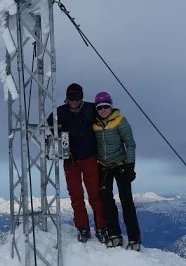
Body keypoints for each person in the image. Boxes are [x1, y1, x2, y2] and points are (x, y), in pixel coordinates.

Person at [47, 83, 107, 243]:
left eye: (77, 98)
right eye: (71, 99)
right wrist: (59, 136)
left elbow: (105, 115)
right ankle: (82, 227)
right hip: (71, 159)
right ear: (67, 98)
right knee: (76, 195)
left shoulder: (91, 109)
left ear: (81, 97)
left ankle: (101, 227)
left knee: (95, 194)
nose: (74, 102)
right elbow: (50, 121)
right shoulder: (60, 112)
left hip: (90, 157)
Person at [91, 91, 142, 251]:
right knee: (107, 202)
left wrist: (130, 166)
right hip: (104, 166)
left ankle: (134, 238)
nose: (103, 110)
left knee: (126, 202)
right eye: (100, 107)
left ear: (111, 106)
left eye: (106, 106)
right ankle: (114, 234)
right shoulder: (94, 123)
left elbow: (130, 144)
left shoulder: (120, 121)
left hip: (120, 165)